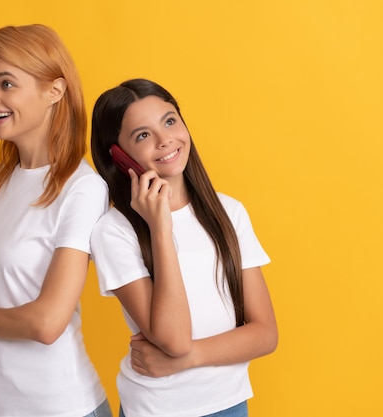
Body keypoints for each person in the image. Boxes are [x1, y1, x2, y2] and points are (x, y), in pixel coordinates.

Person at [0, 24, 111, 417]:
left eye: (6, 83)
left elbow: (47, 323)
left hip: (63, 409)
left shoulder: (82, 188)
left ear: (54, 91)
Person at [89, 79, 277, 417]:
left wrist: (188, 358)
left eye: (170, 121)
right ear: (118, 156)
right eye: (142, 135)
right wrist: (160, 229)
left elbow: (265, 334)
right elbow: (173, 339)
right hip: (158, 408)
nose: (166, 140)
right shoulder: (114, 232)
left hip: (230, 403)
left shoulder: (229, 212)